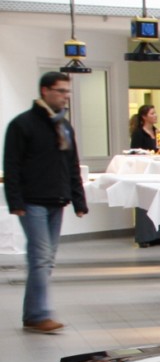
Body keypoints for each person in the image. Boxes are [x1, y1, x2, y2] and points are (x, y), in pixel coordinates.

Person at [4, 72, 89, 333]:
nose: (66, 97)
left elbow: (71, 165)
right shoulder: (22, 124)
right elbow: (11, 165)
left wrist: (78, 200)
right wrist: (15, 201)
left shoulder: (64, 126)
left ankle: (33, 315)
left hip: (56, 200)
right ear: (45, 91)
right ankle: (39, 315)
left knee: (47, 259)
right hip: (32, 202)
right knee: (40, 257)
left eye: (67, 92)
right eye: (61, 91)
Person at [127, 104, 160, 247]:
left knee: (158, 201)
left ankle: (157, 235)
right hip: (145, 172)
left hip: (157, 172)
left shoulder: (158, 132)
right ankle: (144, 236)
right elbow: (134, 152)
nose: (155, 115)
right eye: (152, 113)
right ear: (144, 117)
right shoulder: (138, 133)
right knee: (144, 203)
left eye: (155, 113)